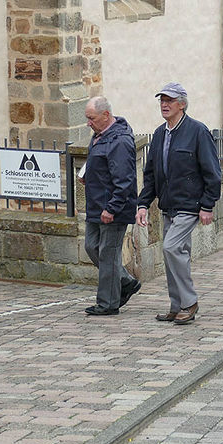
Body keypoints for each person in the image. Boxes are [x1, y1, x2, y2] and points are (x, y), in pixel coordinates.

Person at [137, 83, 221, 325]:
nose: (164, 104)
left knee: (171, 248)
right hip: (168, 205)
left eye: (170, 100)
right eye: (162, 100)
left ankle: (189, 302)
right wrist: (143, 204)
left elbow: (212, 172)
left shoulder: (197, 131)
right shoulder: (160, 133)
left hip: (190, 205)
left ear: (182, 104)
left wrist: (207, 205)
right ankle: (177, 305)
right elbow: (151, 173)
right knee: (174, 254)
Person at [81, 96, 140, 316]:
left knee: (108, 254)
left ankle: (107, 304)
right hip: (96, 205)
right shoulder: (99, 135)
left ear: (106, 115)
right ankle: (125, 282)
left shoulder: (120, 141)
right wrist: (87, 174)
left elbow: (124, 180)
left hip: (112, 209)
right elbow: (98, 161)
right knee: (91, 246)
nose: (88, 123)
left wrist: (112, 208)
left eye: (91, 118)